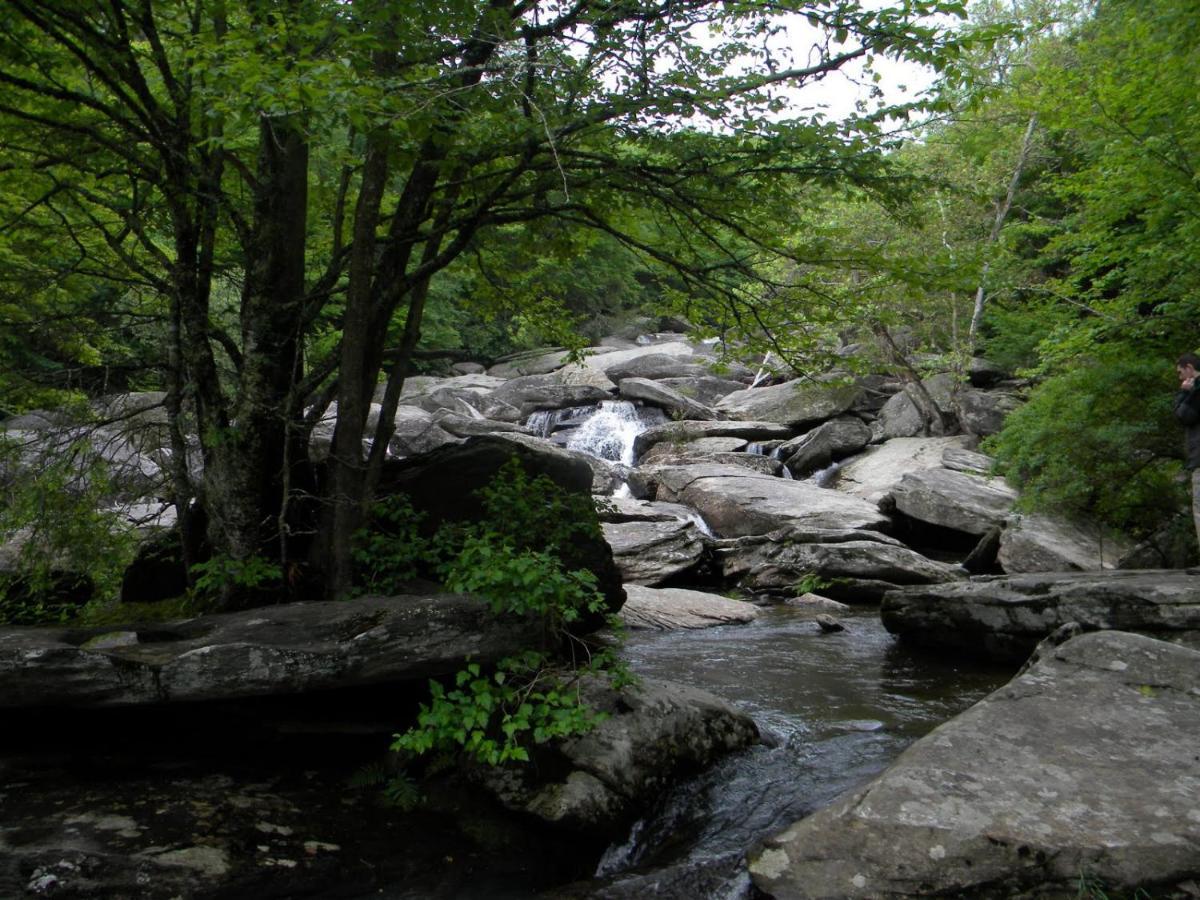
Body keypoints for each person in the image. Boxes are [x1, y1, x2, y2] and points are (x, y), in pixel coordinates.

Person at [1173, 352, 1200, 551]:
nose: (1180, 377)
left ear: (1189, 368)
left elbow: (1183, 415)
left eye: (1180, 372)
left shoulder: (1196, 390)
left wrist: (1185, 393)